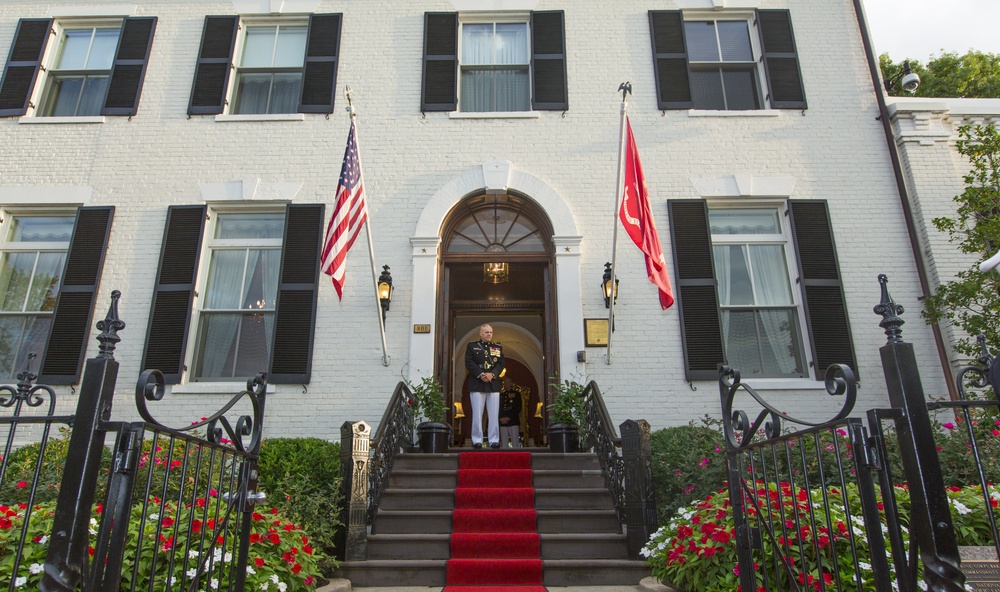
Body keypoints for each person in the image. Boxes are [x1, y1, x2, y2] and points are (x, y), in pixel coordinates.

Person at [465, 323, 505, 449]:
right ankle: (477, 440)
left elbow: (501, 364)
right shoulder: (472, 346)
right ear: (480, 333)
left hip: (493, 384)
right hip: (477, 383)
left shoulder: (497, 348)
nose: (489, 334)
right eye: (486, 332)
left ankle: (494, 440)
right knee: (477, 413)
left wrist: (492, 374)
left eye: (491, 332)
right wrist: (481, 374)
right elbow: (469, 362)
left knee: (494, 414)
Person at [499, 379, 522, 448]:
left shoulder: (516, 394)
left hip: (513, 421)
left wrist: (509, 417)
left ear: (511, 383)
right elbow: (498, 408)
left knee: (515, 443)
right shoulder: (501, 395)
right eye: (505, 382)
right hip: (502, 421)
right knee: (504, 444)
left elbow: (518, 407)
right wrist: (500, 418)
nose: (506, 383)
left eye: (508, 382)